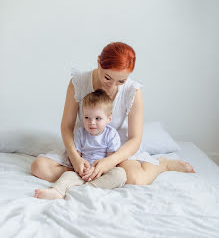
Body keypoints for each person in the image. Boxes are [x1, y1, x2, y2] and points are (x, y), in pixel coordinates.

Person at [31, 41, 195, 188]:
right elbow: (66, 126)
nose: (112, 86)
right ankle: (89, 174)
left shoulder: (133, 91)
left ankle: (162, 165)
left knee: (136, 179)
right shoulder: (79, 82)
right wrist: (76, 159)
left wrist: (109, 162)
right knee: (39, 167)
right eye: (107, 78)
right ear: (99, 63)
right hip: (84, 145)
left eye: (121, 81)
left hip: (114, 147)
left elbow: (135, 139)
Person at [34, 89, 126, 199]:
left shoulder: (111, 134)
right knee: (67, 175)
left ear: (109, 118)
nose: (92, 122)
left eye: (98, 118)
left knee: (120, 174)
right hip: (82, 172)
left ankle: (89, 188)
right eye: (87, 117)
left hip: (101, 172)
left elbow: (111, 160)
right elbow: (77, 156)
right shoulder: (80, 133)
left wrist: (97, 170)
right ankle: (57, 191)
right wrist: (82, 169)